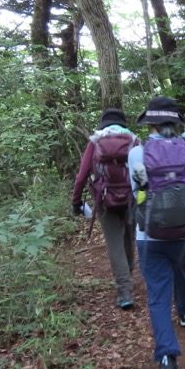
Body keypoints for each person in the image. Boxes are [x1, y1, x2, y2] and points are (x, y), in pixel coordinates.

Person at [129, 96, 185, 369]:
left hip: (149, 235)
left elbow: (133, 193)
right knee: (183, 269)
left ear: (149, 124)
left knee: (158, 294)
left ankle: (166, 357)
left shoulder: (136, 153)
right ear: (175, 122)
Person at [72, 108, 139, 310]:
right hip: (131, 198)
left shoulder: (95, 142)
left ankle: (125, 291)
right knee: (129, 237)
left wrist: (76, 201)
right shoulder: (134, 141)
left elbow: (82, 175)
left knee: (114, 244)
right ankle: (128, 275)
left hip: (105, 200)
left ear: (103, 123)